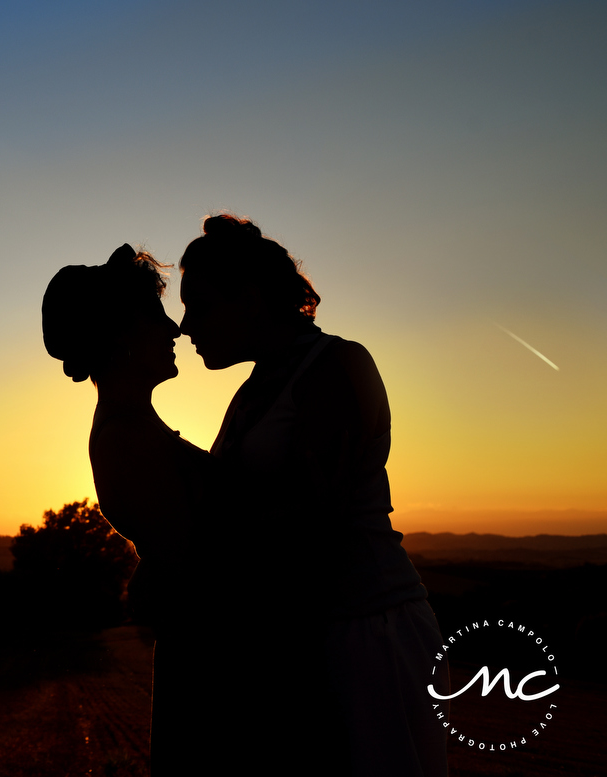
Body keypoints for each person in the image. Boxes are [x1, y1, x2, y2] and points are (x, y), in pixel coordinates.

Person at [178, 213, 448, 777]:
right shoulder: (253, 390)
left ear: (250, 298)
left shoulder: (340, 364)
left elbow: (308, 521)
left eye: (198, 304)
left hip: (370, 632)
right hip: (302, 635)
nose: (184, 326)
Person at [42, 244, 222, 773]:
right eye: (156, 314)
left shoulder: (137, 430)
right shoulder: (125, 440)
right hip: (214, 677)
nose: (173, 330)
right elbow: (205, 578)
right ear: (121, 332)